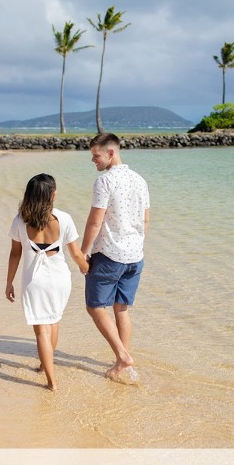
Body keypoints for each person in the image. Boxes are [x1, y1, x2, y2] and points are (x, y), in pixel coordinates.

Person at [5, 173, 89, 391]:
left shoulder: (20, 220)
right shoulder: (64, 218)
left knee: (42, 330)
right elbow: (77, 255)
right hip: (61, 280)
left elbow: (15, 254)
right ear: (52, 194)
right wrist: (89, 270)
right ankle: (44, 366)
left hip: (35, 281)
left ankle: (51, 382)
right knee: (54, 321)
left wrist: (9, 282)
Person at [81, 133, 150, 383]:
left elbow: (95, 221)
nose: (93, 160)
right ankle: (123, 363)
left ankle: (122, 357)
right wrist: (137, 246)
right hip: (135, 256)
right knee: (121, 308)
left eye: (96, 155)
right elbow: (146, 220)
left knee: (95, 307)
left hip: (109, 255)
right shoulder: (140, 180)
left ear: (111, 153)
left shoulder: (105, 181)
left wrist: (83, 252)